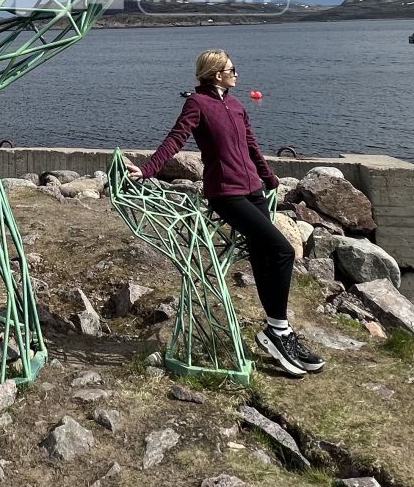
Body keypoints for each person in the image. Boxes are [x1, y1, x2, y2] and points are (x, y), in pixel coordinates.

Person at [126, 48, 325, 377]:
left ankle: (278, 331)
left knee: (264, 258)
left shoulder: (235, 105)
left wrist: (269, 176)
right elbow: (175, 139)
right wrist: (148, 170)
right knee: (282, 250)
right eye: (232, 69)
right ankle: (279, 333)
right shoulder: (197, 104)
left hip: (254, 191)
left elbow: (251, 145)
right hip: (226, 195)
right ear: (216, 74)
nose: (237, 74)